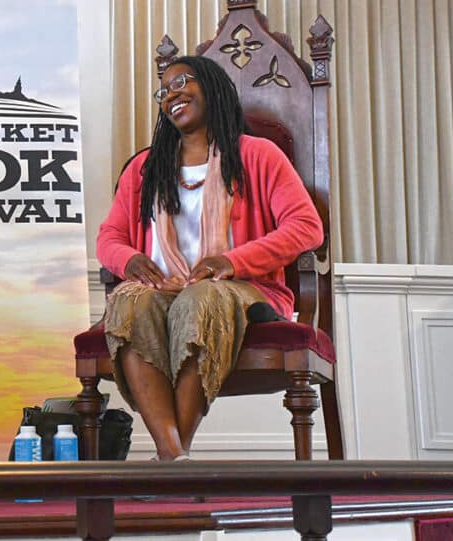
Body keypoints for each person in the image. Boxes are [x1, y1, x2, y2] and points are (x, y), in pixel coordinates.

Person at [96, 55, 323, 461]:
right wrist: (128, 260)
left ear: (214, 86)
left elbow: (306, 226)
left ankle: (169, 460)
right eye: (164, 91)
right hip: (160, 290)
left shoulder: (258, 155)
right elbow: (109, 236)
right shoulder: (144, 169)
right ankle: (175, 457)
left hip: (243, 292)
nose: (172, 95)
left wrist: (232, 261)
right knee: (128, 301)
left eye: (182, 81)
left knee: (200, 297)